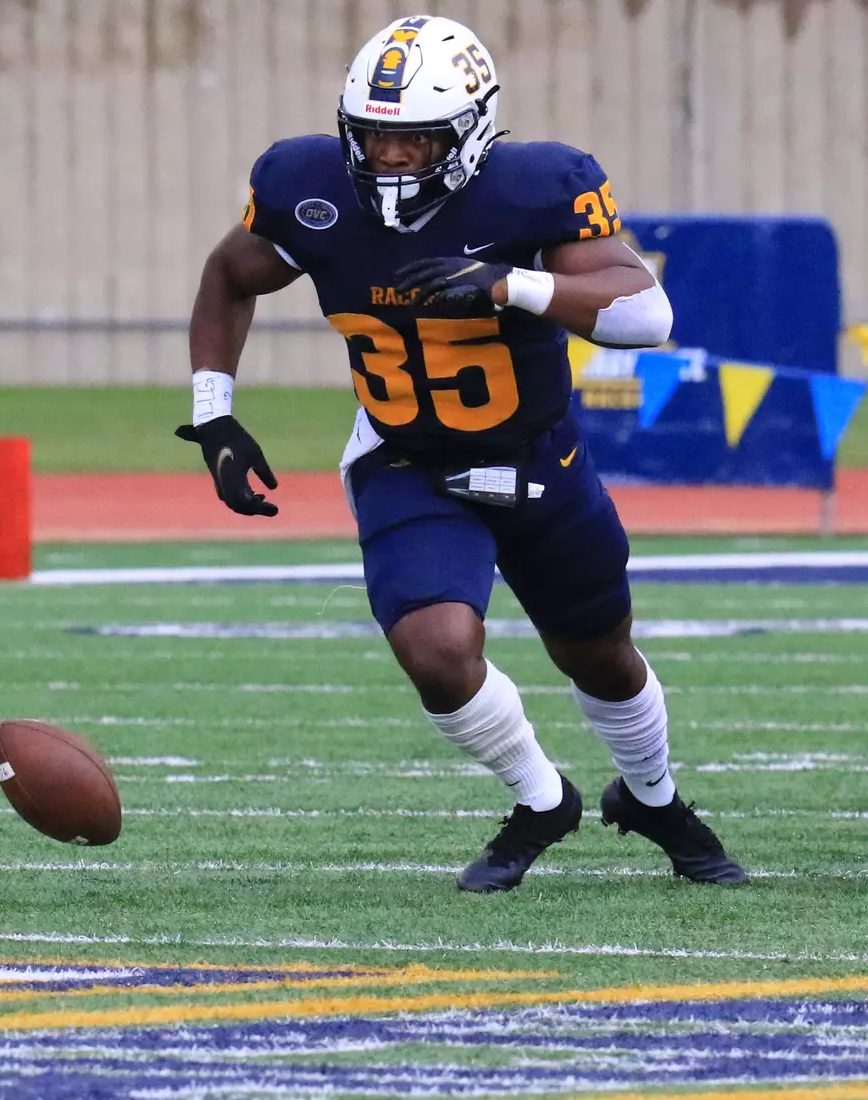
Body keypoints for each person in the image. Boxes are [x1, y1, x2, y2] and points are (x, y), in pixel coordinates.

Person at [180, 17, 746, 892]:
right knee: (437, 647)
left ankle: (654, 798)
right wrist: (215, 415)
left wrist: (511, 283)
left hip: (537, 455)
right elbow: (229, 274)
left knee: (599, 654)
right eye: (374, 136)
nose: (393, 158)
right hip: (407, 457)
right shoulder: (307, 185)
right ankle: (540, 797)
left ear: (472, 129)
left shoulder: (532, 189)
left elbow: (650, 316)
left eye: (416, 139)